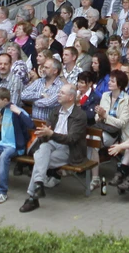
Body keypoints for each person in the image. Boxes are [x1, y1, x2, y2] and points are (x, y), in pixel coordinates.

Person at [19, 83, 87, 213]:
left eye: (62, 93)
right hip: (51, 145)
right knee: (44, 148)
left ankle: (33, 197)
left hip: (69, 149)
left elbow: (71, 139)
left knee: (40, 160)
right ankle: (39, 185)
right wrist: (44, 134)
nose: (58, 95)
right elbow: (48, 133)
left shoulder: (79, 115)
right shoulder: (55, 111)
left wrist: (51, 134)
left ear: (71, 97)